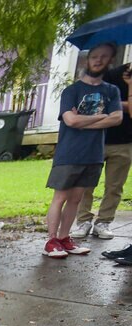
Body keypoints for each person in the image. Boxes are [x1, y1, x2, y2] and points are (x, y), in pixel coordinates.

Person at [44, 42, 123, 258]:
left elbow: (117, 119)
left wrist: (84, 120)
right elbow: (70, 121)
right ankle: (51, 241)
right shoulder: (72, 91)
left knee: (76, 199)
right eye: (94, 56)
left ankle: (64, 238)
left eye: (104, 56)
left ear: (110, 61)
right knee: (60, 198)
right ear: (87, 60)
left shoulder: (111, 91)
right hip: (69, 153)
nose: (98, 60)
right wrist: (101, 117)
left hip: (93, 153)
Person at [72, 60, 132, 240]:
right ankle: (83, 221)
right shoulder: (110, 75)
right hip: (97, 138)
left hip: (125, 141)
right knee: (86, 184)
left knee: (115, 186)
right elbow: (96, 103)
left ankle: (103, 222)